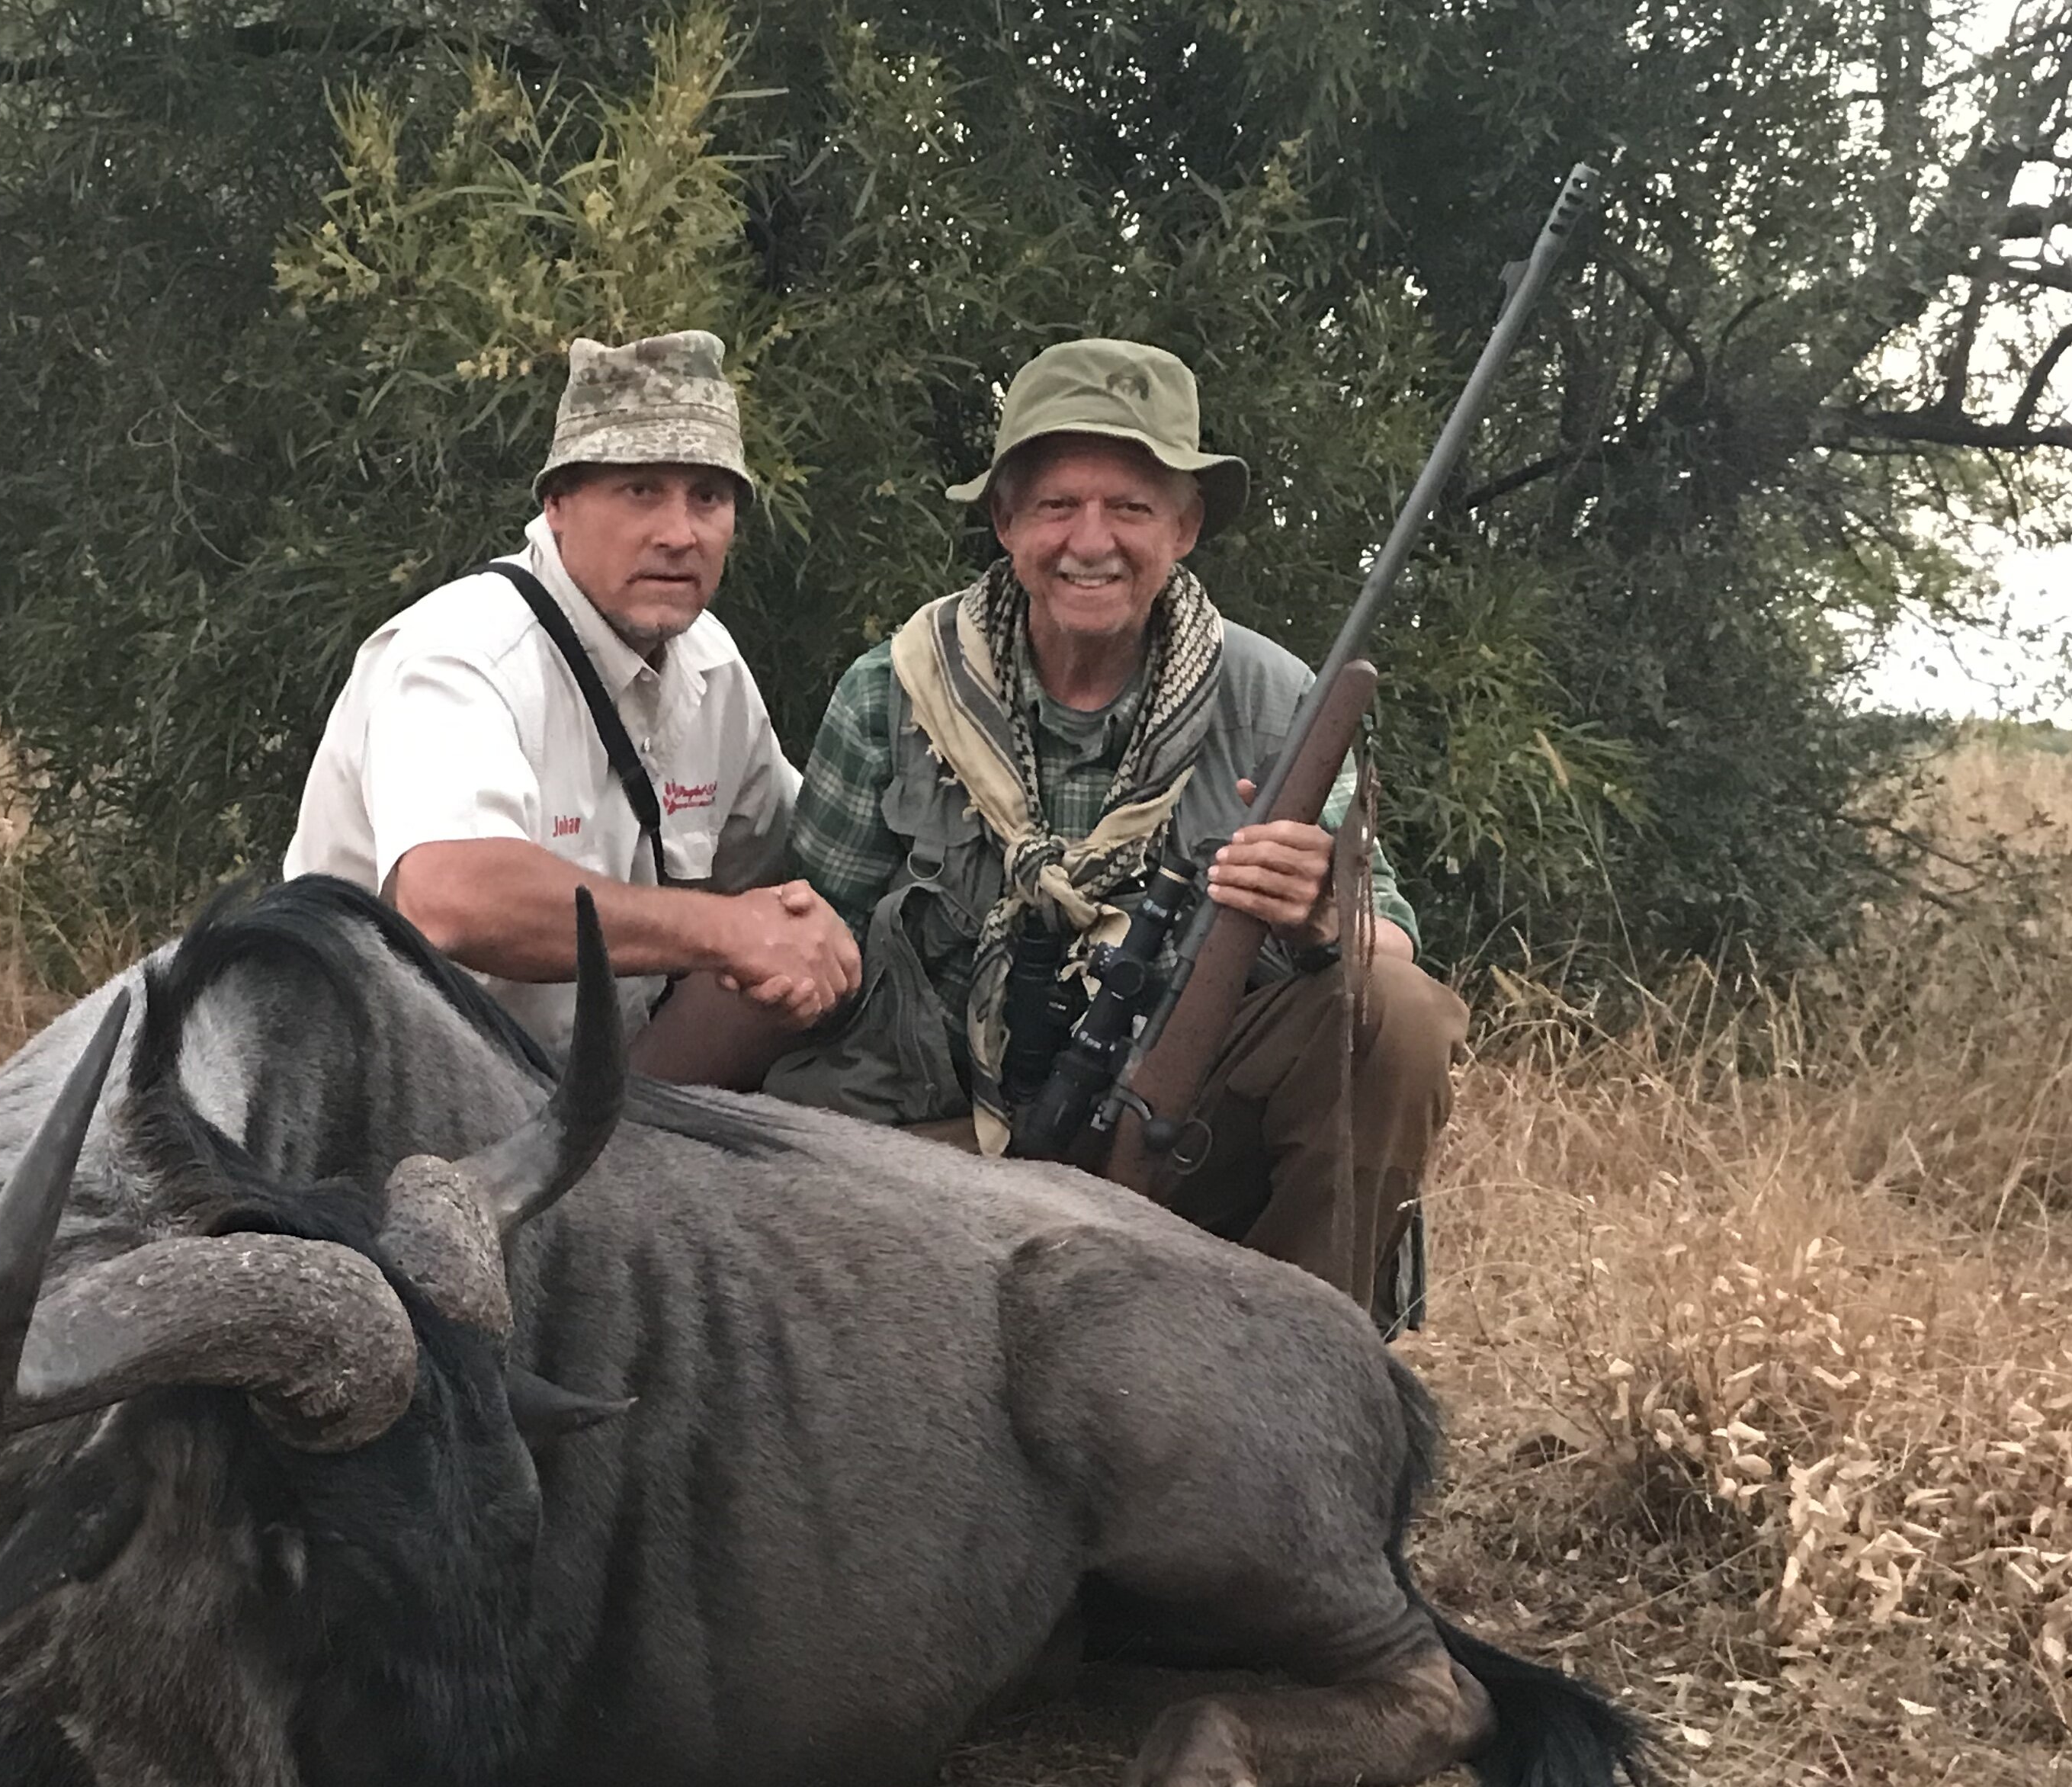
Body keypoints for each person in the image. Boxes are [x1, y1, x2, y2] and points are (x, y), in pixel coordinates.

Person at [775, 337, 1467, 1315]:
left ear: (1183, 527)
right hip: (932, 1151)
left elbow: (1389, 937)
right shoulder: (892, 692)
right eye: (1058, 505)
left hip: (1178, 1134)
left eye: (1131, 508)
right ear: (1007, 522)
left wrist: (1320, 910)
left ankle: (1313, 1358)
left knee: (1394, 1012)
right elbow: (813, 954)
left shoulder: (1277, 701)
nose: (1090, 541)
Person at [284, 329, 855, 1083]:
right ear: (557, 503)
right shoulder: (461, 651)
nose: (679, 534)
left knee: (809, 960)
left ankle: (635, 1176)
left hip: (581, 1099)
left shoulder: (712, 669)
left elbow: (797, 857)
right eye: (640, 490)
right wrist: (722, 928)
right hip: (379, 1092)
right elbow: (450, 897)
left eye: (708, 497)